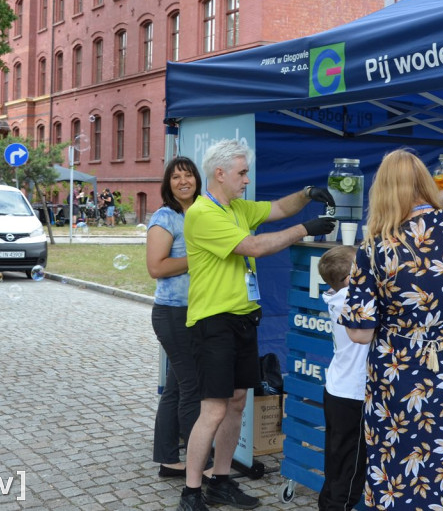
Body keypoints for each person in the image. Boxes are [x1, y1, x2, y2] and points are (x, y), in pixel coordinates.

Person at [178, 139, 336, 511]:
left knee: (236, 405)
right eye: (242, 173)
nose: (247, 179)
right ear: (220, 174)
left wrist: (308, 193)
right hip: (213, 322)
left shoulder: (235, 207)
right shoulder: (203, 212)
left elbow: (279, 207)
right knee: (213, 410)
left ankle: (220, 482)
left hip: (243, 319)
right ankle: (190, 491)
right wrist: (307, 228)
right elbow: (255, 247)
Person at [341, 149, 443, 511]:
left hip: (401, 370)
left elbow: (358, 333)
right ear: (426, 183)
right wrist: (436, 194)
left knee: (399, 462)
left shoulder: (374, 248)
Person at [148, 158, 204, 477]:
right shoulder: (165, 217)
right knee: (191, 388)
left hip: (197, 311)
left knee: (176, 388)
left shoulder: (202, 213)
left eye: (188, 175)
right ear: (168, 184)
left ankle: (168, 458)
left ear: (198, 179)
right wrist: (197, 258)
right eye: (175, 177)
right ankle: (200, 463)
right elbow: (156, 267)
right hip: (172, 313)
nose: (183, 181)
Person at [317, 245, 366, 511]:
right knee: (350, 469)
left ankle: (328, 505)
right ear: (351, 279)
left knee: (337, 462)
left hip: (338, 390)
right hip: (353, 395)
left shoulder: (338, 296)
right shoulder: (354, 300)